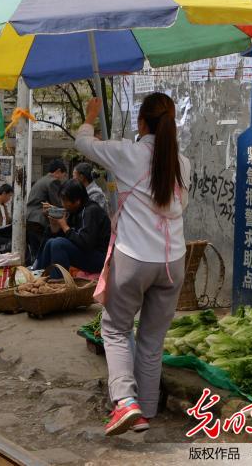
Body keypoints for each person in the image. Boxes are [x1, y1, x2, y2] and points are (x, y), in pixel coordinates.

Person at [76, 93, 190, 436]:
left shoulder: (127, 152)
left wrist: (91, 115)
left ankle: (125, 403)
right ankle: (148, 409)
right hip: (173, 262)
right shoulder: (184, 164)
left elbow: (83, 143)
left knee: (115, 328)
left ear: (142, 123)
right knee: (152, 339)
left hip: (134, 259)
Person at [35, 179, 110, 277]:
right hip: (87, 253)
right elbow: (65, 237)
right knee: (50, 242)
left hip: (100, 258)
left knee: (58, 244)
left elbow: (85, 243)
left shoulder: (91, 211)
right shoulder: (75, 211)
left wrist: (64, 226)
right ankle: (39, 276)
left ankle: (57, 283)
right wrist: (54, 225)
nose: (63, 204)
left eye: (65, 201)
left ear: (77, 201)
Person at [25, 159, 68, 263]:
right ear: (58, 171)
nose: (63, 178)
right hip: (39, 220)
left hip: (30, 219)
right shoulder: (53, 181)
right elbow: (58, 203)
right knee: (43, 252)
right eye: (64, 175)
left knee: (35, 252)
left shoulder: (41, 180)